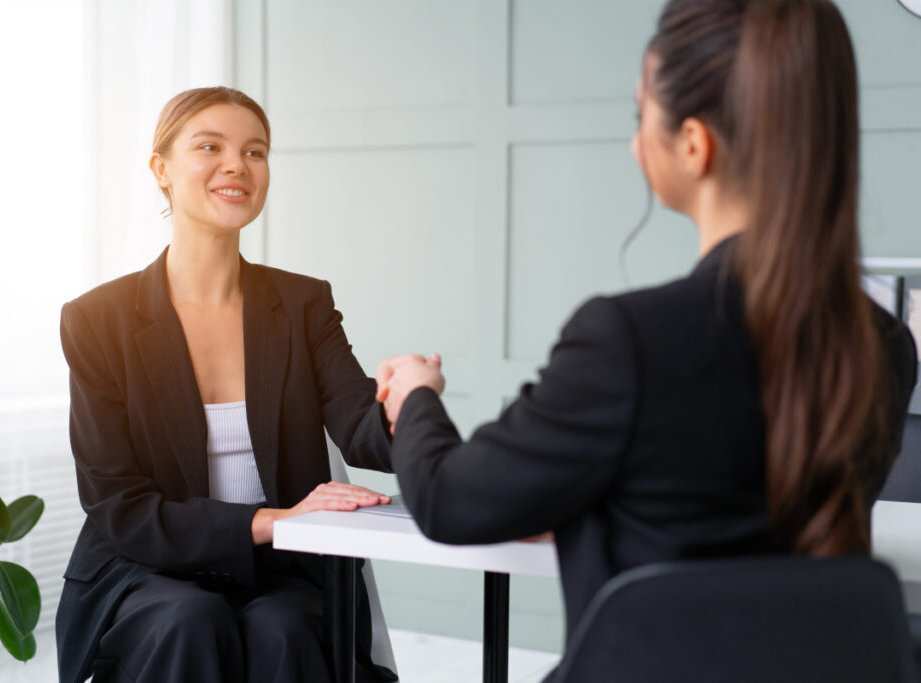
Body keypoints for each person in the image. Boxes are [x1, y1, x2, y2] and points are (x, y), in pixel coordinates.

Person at [375, 0, 918, 673]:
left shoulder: (627, 340)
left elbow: (449, 499)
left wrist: (417, 396)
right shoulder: (886, 344)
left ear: (694, 144)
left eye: (642, 117)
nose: (637, 142)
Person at [55, 87, 397, 683]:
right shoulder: (95, 319)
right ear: (161, 168)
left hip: (285, 569)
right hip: (144, 565)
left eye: (255, 152)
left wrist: (408, 402)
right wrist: (272, 519)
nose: (237, 165)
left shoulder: (302, 303)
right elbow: (118, 502)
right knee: (188, 619)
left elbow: (361, 427)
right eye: (209, 146)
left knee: (282, 629)